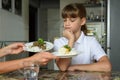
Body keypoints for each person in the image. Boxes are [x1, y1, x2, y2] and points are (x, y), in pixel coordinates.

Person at [54, 3, 112, 72]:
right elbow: (63, 67)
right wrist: (71, 40)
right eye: (65, 20)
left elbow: (107, 66)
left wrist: (75, 67)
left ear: (82, 21)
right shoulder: (59, 42)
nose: (67, 24)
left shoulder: (91, 41)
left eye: (72, 20)